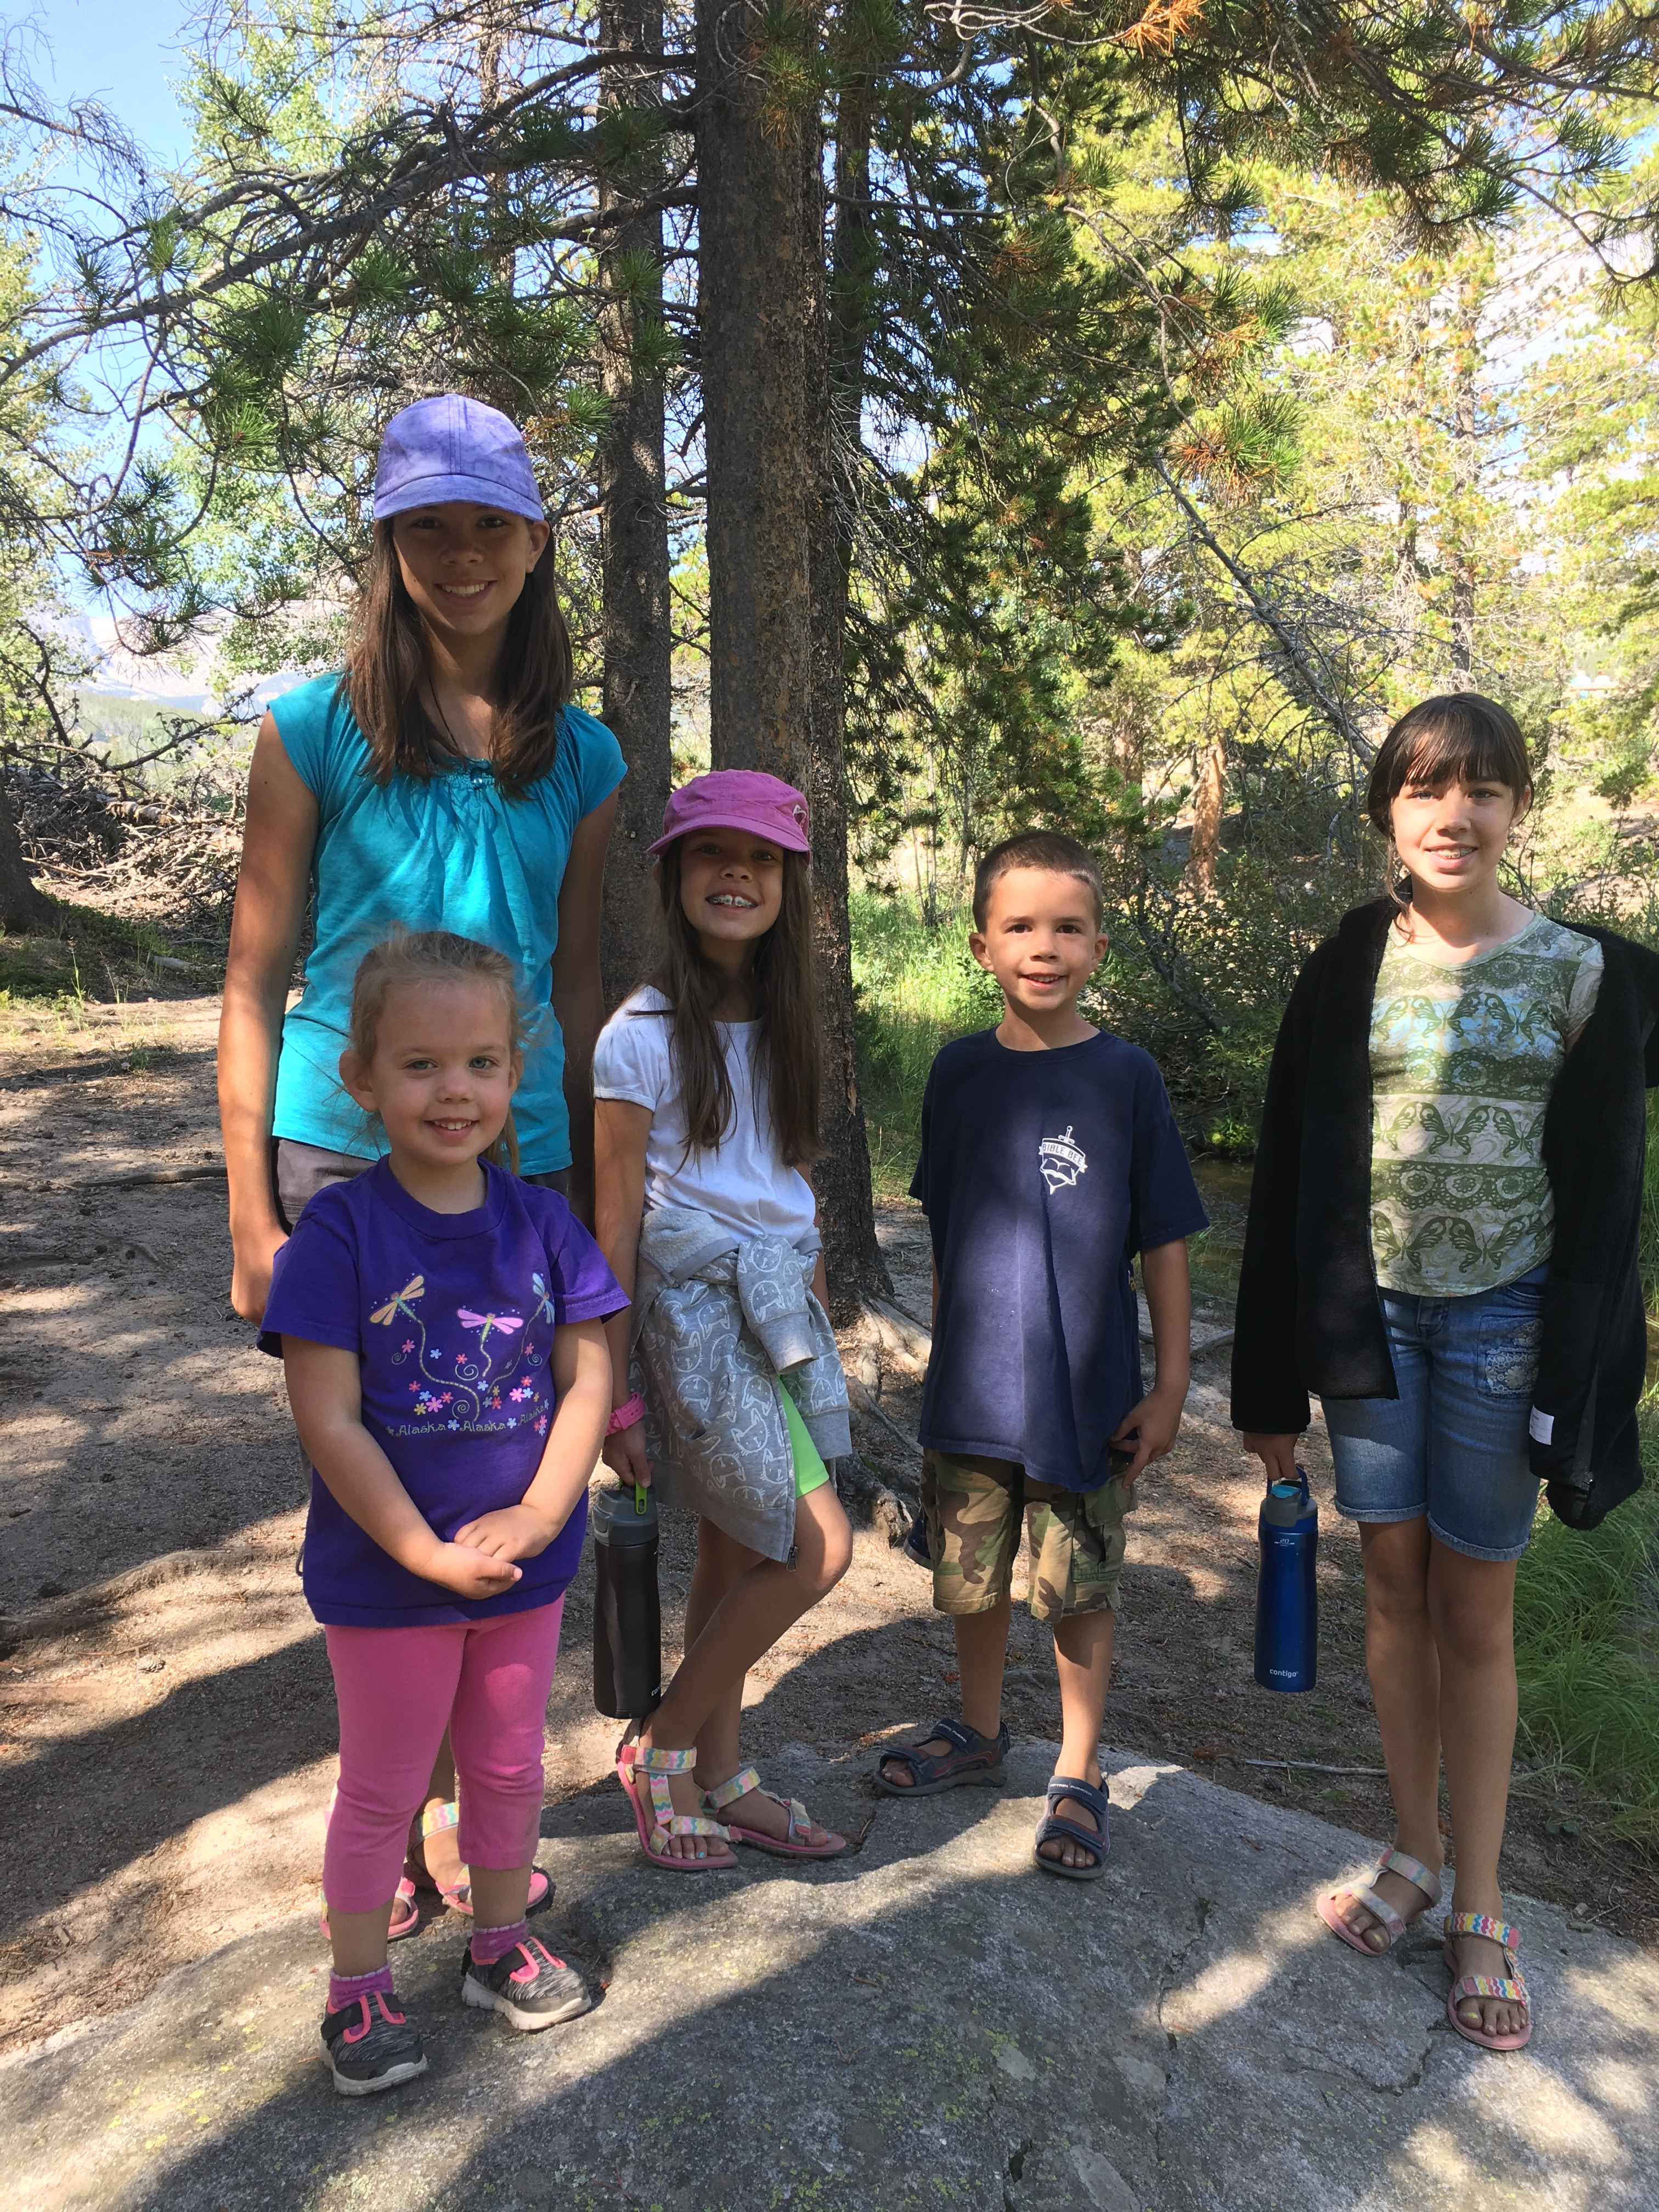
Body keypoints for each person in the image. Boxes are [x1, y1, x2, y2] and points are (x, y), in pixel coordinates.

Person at [218, 392, 623, 1920]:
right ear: (388, 545)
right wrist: (249, 1211)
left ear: (534, 541)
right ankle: (389, 1816)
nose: (462, 555)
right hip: (340, 1161)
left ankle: (456, 1807)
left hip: (515, 1168)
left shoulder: (583, 758)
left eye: (489, 525)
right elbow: (256, 978)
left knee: (498, 1458)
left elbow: (572, 985)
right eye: (429, 526)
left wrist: (584, 1191)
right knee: (372, 1472)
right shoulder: (312, 731)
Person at [1232, 693, 1659, 2053]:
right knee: (1391, 1590)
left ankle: (1483, 1901)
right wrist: (1266, 1389)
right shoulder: (1348, 963)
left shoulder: (1590, 976)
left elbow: (1606, 1182)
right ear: (1388, 812)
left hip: (1502, 1330)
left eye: (1482, 788)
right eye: (1425, 789)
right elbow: (1290, 1170)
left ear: (1520, 806)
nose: (1453, 815)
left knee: (1477, 1613)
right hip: (1370, 1329)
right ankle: (1412, 1852)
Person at [262, 929, 626, 2094]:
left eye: (480, 1062)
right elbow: (329, 1419)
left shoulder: (544, 1225)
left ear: (516, 1072)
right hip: (385, 1580)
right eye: (420, 1064)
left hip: (526, 1568)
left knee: (511, 1768)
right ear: (361, 1079)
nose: (453, 1089)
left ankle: (499, 1944)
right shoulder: (336, 1236)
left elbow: (589, 1382)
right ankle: (358, 1992)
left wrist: (541, 1514)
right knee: (382, 1788)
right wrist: (419, 1549)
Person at [875, 832, 1207, 1879]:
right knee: (970, 1579)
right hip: (971, 1389)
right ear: (983, 945)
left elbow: (1165, 1240)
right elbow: (946, 1225)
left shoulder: (1126, 1077)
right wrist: (941, 1355)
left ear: (1099, 947)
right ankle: (978, 1731)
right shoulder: (958, 1071)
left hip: (1083, 1396)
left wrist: (1171, 1385)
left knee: (1078, 1587)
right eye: (1020, 926)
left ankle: (1077, 1767)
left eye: (1069, 928)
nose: (1045, 947)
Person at [592, 770, 855, 1870]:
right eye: (710, 853)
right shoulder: (639, 1035)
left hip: (779, 1309)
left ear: (789, 883)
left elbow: (790, 1179)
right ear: (673, 875)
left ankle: (720, 1770)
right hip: (698, 1322)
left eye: (759, 859)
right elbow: (612, 1226)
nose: (734, 874)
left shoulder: (791, 1021)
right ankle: (659, 1752)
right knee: (819, 1547)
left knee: (737, 1543)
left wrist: (816, 1301)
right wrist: (611, 1395)